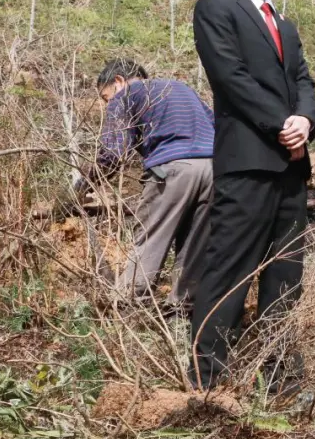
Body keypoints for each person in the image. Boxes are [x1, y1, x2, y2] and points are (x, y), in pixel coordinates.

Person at [189, 0, 315, 394]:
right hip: (247, 160)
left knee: (286, 270)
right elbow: (230, 76)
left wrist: (304, 120)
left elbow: (303, 80)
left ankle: (279, 376)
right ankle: (209, 380)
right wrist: (281, 122)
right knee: (230, 265)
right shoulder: (216, 8)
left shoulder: (284, 23)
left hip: (291, 162)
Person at [78, 59, 214, 308]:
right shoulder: (182, 88)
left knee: (151, 239)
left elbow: (113, 153)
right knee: (196, 246)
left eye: (105, 97)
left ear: (118, 81)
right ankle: (183, 312)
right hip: (215, 169)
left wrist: (85, 183)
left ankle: (126, 307)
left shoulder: (126, 94)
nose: (107, 103)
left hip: (173, 170)